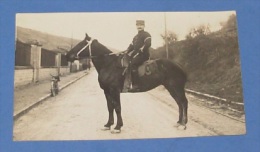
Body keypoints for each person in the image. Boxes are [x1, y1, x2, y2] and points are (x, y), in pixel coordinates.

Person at [126, 20, 152, 90]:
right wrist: (127, 51)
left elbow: (148, 43)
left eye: (141, 25)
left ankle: (136, 85)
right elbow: (131, 46)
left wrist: (142, 48)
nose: (139, 26)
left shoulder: (146, 34)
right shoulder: (135, 37)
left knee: (133, 64)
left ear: (144, 26)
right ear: (136, 26)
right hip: (136, 54)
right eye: (138, 25)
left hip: (143, 55)